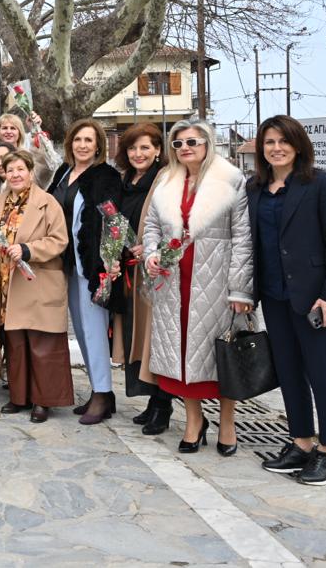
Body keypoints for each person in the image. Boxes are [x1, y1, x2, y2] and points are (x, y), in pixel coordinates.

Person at [249, 115, 326, 485]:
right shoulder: (255, 187)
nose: (276, 148)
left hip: (313, 297)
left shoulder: (319, 183)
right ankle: (301, 443)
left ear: (298, 145)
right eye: (269, 142)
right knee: (289, 371)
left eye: (284, 141)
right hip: (273, 294)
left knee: (320, 372)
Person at [144, 120, 253, 456]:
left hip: (215, 282)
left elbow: (243, 237)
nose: (185, 148)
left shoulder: (231, 179)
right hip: (173, 282)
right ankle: (194, 421)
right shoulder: (166, 180)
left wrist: (240, 289)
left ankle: (228, 422)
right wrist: (151, 254)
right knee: (181, 356)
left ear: (207, 143)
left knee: (222, 355)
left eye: (192, 141)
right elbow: (151, 225)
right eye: (178, 144)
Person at [0, 151, 73, 422]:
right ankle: (19, 396)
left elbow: (59, 240)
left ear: (31, 172)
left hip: (37, 281)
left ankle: (43, 400)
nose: (15, 174)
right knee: (16, 344)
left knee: (42, 344)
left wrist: (28, 250)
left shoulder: (47, 203)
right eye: (10, 170)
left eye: (20, 169)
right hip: (7, 284)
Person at [47, 118, 121, 425]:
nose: (82, 145)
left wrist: (110, 261)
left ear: (98, 145)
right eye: (78, 139)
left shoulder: (106, 176)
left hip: (92, 265)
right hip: (66, 262)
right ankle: (98, 390)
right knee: (80, 328)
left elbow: (114, 221)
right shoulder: (63, 172)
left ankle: (103, 393)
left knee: (94, 330)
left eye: (89, 140)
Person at [114, 123, 172, 434]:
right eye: (133, 148)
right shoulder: (126, 181)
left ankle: (163, 405)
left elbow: (172, 223)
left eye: (145, 147)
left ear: (158, 150)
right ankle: (152, 400)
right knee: (136, 338)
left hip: (153, 271)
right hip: (129, 270)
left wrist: (150, 247)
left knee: (154, 338)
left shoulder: (163, 180)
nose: (138, 154)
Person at [0, 112, 59, 187]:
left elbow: (47, 167)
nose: (8, 132)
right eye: (4, 128)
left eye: (13, 128)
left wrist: (35, 128)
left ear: (19, 133)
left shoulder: (27, 157)